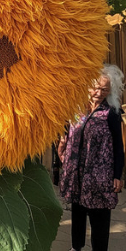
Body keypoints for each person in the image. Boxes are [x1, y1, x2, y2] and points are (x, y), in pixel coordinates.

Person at [58, 64, 125, 251]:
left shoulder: (111, 113)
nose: (98, 93)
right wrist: (62, 145)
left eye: (104, 89)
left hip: (99, 174)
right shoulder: (76, 107)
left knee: (100, 217)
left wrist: (117, 175)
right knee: (77, 213)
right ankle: (76, 247)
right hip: (77, 172)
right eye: (96, 87)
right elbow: (68, 131)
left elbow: (119, 146)